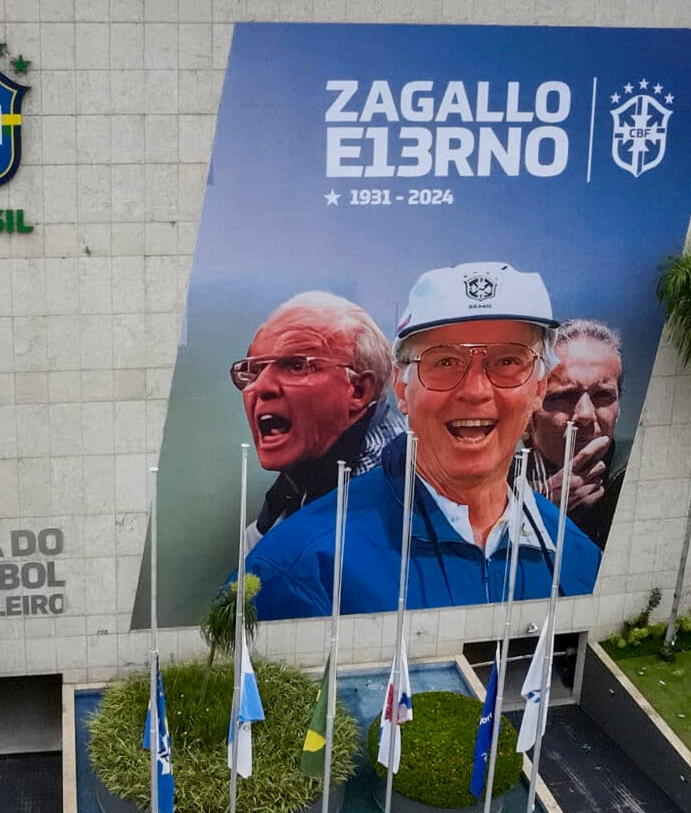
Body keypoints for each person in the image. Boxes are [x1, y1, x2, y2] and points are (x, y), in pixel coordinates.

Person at [245, 262, 600, 620]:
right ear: (402, 389)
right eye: (444, 361)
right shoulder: (299, 569)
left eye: (507, 361)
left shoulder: (576, 557)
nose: (475, 391)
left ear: (539, 388)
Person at [231, 292, 404, 552]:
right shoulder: (280, 509)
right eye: (253, 371)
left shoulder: (402, 505)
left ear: (358, 390)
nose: (260, 387)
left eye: (297, 366)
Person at [526, 319, 625, 549]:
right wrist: (540, 512)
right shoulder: (491, 487)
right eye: (565, 396)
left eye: (602, 396)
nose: (586, 414)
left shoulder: (640, 472)